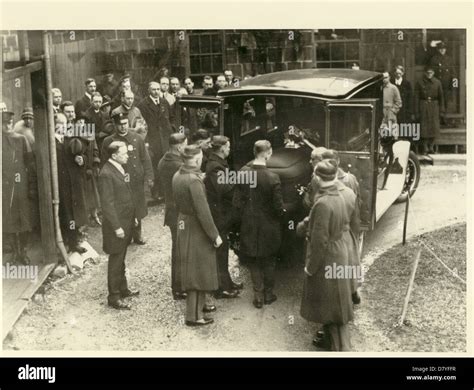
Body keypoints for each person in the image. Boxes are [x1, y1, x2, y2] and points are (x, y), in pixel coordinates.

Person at [300, 160, 358, 351]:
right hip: (339, 251)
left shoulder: (323, 203)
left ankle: (341, 349)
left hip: (328, 257)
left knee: (331, 308)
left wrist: (310, 267)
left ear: (317, 177)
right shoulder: (341, 195)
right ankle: (334, 345)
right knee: (336, 305)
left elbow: (319, 242)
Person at [172, 144, 223, 326]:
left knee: (191, 269)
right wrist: (214, 235)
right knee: (198, 271)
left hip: (184, 222)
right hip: (196, 227)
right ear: (197, 159)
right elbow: (203, 212)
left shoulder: (178, 175)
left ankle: (196, 311)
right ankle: (194, 316)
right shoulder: (194, 180)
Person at [233, 140, 285, 308]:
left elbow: (237, 202)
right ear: (268, 153)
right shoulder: (273, 178)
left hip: (249, 223)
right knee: (269, 260)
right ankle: (268, 294)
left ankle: (258, 297)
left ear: (254, 152)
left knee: (253, 261)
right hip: (269, 226)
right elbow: (278, 207)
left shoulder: (243, 174)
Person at [102, 113, 153, 245]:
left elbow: (145, 159)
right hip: (120, 180)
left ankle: (137, 234)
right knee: (123, 207)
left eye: (125, 123)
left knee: (137, 205)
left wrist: (149, 176)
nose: (123, 127)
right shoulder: (109, 141)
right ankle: (125, 234)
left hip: (136, 179)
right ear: (115, 125)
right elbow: (104, 162)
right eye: (120, 124)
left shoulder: (137, 138)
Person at [99, 141, 139, 310]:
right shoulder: (106, 174)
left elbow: (126, 195)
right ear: (114, 156)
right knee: (116, 259)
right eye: (124, 153)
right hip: (117, 225)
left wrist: (134, 217)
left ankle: (123, 289)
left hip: (126, 221)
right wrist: (116, 227)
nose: (127, 156)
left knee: (121, 257)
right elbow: (107, 204)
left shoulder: (120, 168)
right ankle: (113, 296)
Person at [205, 136, 242, 299]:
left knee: (224, 248)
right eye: (228, 147)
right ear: (221, 149)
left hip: (222, 213)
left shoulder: (218, 163)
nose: (229, 149)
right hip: (219, 214)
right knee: (220, 250)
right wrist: (238, 180)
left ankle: (226, 282)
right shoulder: (215, 166)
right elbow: (223, 188)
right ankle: (220, 288)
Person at [157, 133, 187, 300]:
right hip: (179, 211)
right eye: (185, 145)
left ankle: (178, 286)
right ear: (178, 146)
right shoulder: (177, 164)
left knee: (177, 247)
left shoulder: (163, 160)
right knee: (180, 249)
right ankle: (179, 287)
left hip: (171, 209)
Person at [2, 111, 35, 265]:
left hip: (21, 186)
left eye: (9, 123)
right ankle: (15, 252)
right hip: (5, 188)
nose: (7, 126)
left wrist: (31, 186)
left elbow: (30, 163)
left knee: (24, 220)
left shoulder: (21, 139)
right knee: (8, 221)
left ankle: (23, 251)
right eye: (3, 123)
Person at [54, 113, 88, 254]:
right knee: (63, 213)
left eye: (64, 124)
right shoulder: (50, 143)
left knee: (73, 213)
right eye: (58, 124)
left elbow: (83, 154)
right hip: (59, 184)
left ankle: (74, 242)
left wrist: (82, 160)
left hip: (73, 182)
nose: (62, 127)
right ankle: (63, 243)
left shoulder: (71, 140)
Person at [137, 81, 174, 203]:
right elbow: (142, 125)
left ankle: (166, 192)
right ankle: (156, 192)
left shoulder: (164, 102)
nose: (157, 91)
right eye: (154, 89)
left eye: (158, 89)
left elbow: (171, 119)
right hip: (153, 140)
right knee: (154, 166)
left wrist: (171, 135)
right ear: (149, 90)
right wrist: (146, 141)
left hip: (165, 139)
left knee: (165, 165)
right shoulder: (143, 105)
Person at [414, 66, 444, 155]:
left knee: (434, 127)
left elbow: (441, 97)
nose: (429, 74)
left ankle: (431, 147)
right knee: (424, 127)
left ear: (433, 73)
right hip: (423, 105)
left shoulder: (437, 82)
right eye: (427, 73)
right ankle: (425, 147)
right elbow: (416, 97)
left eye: (431, 73)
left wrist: (442, 109)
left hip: (434, 106)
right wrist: (416, 111)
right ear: (425, 73)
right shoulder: (419, 83)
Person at [428, 41, 454, 116]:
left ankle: (444, 117)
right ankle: (437, 117)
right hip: (436, 84)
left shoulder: (449, 59)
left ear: (446, 49)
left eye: (444, 48)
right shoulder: (433, 59)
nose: (442, 50)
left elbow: (453, 73)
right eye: (440, 48)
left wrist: (453, 86)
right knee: (436, 100)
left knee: (445, 101)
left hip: (446, 84)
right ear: (438, 49)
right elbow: (430, 72)